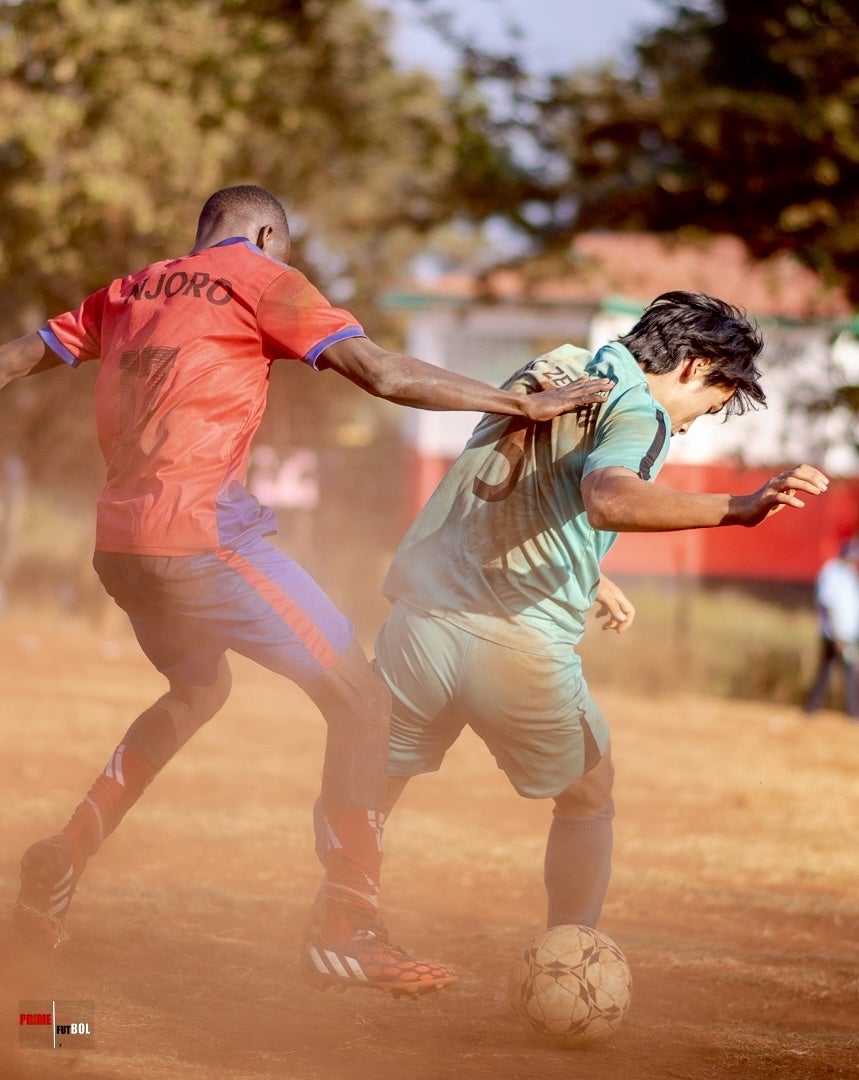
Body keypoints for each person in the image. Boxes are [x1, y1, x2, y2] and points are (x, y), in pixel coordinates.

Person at [0, 184, 613, 996]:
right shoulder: (263, 280)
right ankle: (346, 927)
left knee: (197, 691)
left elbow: (16, 358)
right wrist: (518, 402)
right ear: (265, 235)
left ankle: (67, 849)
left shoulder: (130, 289)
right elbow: (382, 373)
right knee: (361, 700)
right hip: (204, 543)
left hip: (120, 545)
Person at [372, 292, 829, 935]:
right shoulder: (641, 410)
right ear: (696, 367)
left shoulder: (555, 367)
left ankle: (341, 923)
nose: (689, 428)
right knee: (589, 792)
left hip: (422, 613)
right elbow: (609, 499)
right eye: (709, 408)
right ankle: (573, 950)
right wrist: (737, 507)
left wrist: (588, 574)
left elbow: (521, 490)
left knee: (373, 777)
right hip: (515, 638)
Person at [803, 539, 859, 721]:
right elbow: (829, 605)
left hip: (848, 635)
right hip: (833, 635)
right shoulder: (832, 572)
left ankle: (852, 713)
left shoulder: (850, 575)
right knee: (828, 671)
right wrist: (837, 636)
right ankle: (812, 709)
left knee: (847, 672)